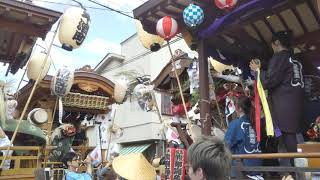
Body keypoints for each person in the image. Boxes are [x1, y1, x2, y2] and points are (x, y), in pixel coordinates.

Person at [250, 31, 304, 160]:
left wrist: (258, 71)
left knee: (289, 141)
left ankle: (298, 173)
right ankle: (302, 169)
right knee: (298, 138)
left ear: (277, 43)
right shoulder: (296, 58)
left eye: (272, 45)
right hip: (298, 102)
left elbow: (269, 81)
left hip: (284, 104)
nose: (272, 48)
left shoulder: (280, 57)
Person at [224, 96, 263, 180]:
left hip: (244, 169)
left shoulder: (236, 124)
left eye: (235, 106)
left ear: (240, 108)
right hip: (259, 167)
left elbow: (225, 146)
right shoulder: (256, 123)